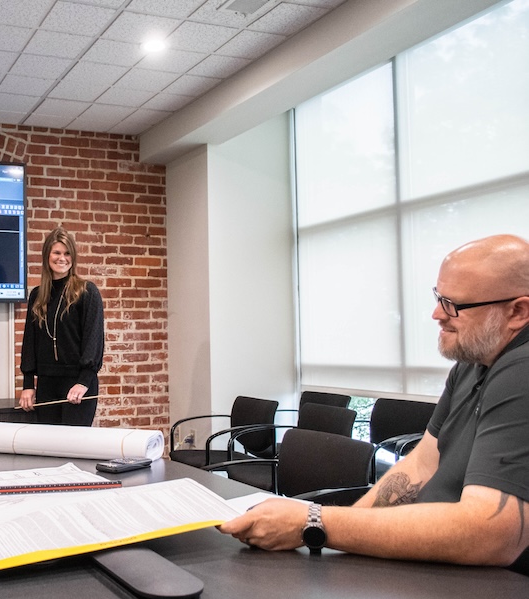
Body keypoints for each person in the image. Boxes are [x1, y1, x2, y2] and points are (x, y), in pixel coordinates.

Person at [220, 234, 529, 575]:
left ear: (518, 311)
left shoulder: (522, 372)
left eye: (454, 305)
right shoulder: (472, 361)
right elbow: (421, 467)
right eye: (439, 297)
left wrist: (313, 522)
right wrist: (336, 529)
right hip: (432, 560)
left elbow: (491, 534)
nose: (436, 314)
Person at [19, 227, 104, 426]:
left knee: (74, 448)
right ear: (47, 255)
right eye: (57, 252)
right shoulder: (37, 295)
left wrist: (84, 381)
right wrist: (28, 384)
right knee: (48, 449)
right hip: (47, 384)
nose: (62, 258)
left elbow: (94, 339)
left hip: (78, 384)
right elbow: (30, 341)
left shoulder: (87, 292)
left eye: (67, 253)